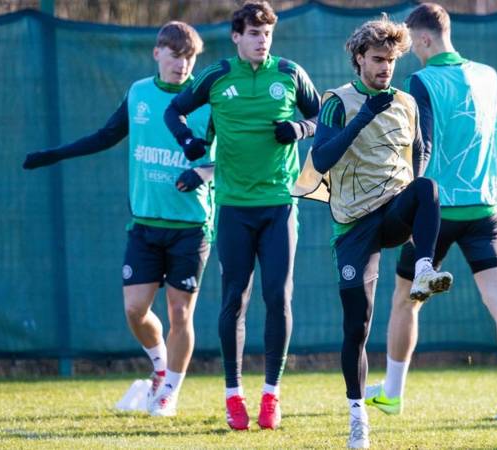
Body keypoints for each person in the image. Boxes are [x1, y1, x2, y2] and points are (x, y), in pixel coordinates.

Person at [23, 21, 215, 417]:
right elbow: (105, 136)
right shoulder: (139, 93)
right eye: (175, 56)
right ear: (157, 53)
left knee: (181, 314)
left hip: (190, 226)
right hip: (145, 226)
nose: (182, 65)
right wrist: (55, 154)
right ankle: (160, 369)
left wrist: (201, 172)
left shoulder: (207, 100)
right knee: (134, 310)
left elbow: (233, 156)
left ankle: (168, 394)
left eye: (190, 57)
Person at [363, 3, 497, 420]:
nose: (411, 54)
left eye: (413, 45)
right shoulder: (489, 76)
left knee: (406, 299)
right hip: (485, 207)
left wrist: (408, 192)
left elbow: (420, 144)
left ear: (423, 39)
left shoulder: (421, 81)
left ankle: (393, 393)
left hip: (436, 211)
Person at [293, 15, 453, 449]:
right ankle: (357, 414)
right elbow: (321, 159)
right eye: (378, 59)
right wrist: (363, 117)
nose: (385, 68)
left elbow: (421, 149)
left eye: (391, 60)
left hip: (393, 213)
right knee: (357, 327)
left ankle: (423, 268)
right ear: (359, 58)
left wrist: (410, 183)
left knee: (428, 187)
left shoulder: (405, 101)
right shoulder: (337, 101)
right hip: (353, 227)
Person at [164, 0, 320, 431]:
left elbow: (323, 117)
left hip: (279, 205)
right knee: (235, 300)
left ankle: (271, 396)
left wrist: (301, 129)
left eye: (267, 33)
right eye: (253, 33)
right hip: (232, 207)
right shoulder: (216, 76)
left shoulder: (289, 73)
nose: (261, 41)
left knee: (279, 297)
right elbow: (172, 110)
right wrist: (190, 145)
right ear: (236, 37)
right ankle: (234, 396)